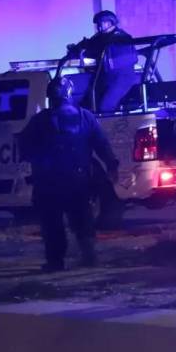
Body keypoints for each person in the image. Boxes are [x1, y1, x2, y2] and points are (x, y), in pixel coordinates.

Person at [17, 77, 119, 271]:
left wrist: (35, 163)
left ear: (50, 96)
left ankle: (56, 262)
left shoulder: (40, 120)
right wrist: (111, 165)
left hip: (49, 182)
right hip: (78, 180)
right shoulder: (86, 117)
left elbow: (25, 148)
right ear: (70, 95)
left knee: (52, 223)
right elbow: (102, 144)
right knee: (83, 219)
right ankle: (89, 257)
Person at [67, 10, 139, 113]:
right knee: (87, 105)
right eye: (98, 24)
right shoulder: (101, 37)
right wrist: (76, 50)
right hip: (105, 77)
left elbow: (98, 49)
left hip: (122, 77)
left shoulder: (120, 37)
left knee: (105, 106)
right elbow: (89, 46)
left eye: (101, 24)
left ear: (109, 23)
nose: (99, 27)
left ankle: (111, 123)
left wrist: (87, 50)